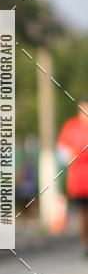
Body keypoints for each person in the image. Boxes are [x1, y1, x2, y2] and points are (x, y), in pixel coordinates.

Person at [57, 98, 88, 255]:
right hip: (79, 181)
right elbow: (63, 151)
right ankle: (85, 244)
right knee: (83, 214)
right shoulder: (71, 126)